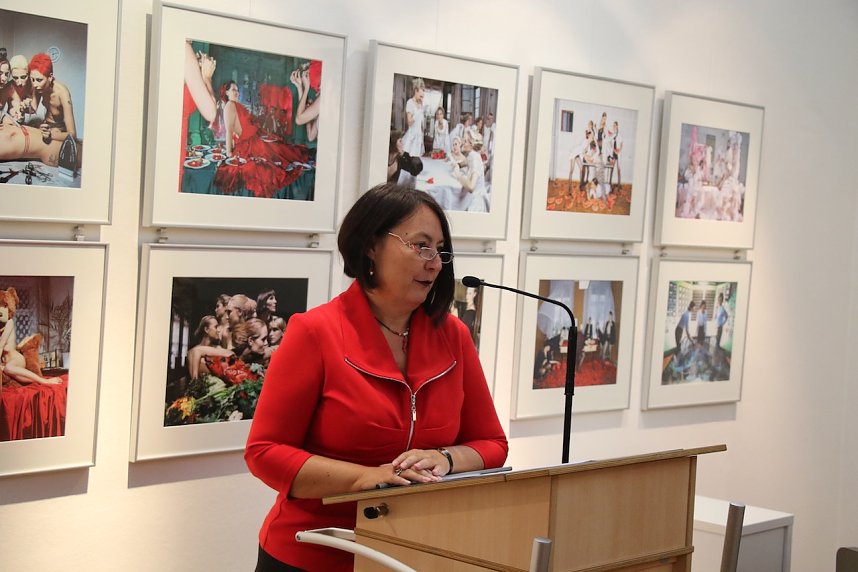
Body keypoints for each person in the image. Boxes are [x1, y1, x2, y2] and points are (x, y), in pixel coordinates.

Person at [245, 183, 508, 570]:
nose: (434, 262)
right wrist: (364, 478)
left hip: (415, 554)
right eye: (420, 246)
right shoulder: (315, 332)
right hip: (316, 551)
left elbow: (492, 443)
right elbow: (265, 452)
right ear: (371, 245)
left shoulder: (454, 336)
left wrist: (445, 459)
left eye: (440, 250)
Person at [214, 80, 310, 198]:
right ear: (226, 93)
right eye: (233, 90)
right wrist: (229, 152)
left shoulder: (235, 105)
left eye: (237, 90)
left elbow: (236, 128)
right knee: (269, 165)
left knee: (283, 152)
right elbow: (229, 130)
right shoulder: (230, 105)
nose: (237, 92)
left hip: (255, 139)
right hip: (250, 143)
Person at [28, 53, 77, 143]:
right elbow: (33, 109)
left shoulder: (63, 93)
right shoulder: (39, 87)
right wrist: (24, 107)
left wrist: (51, 134)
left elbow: (73, 135)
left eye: (39, 80)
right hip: (45, 126)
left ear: (50, 77)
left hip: (58, 131)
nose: (34, 84)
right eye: (32, 79)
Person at [452, 126, 489, 212]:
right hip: (472, 199)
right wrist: (457, 165)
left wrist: (458, 175)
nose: (462, 144)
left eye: (465, 141)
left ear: (471, 144)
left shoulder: (474, 157)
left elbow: (471, 187)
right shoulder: (472, 155)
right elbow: (463, 163)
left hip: (476, 204)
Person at [401, 77, 425, 157]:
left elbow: (420, 124)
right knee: (410, 159)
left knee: (416, 161)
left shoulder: (420, 104)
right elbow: (409, 122)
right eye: (422, 91)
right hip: (412, 137)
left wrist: (421, 137)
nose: (423, 94)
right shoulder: (410, 103)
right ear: (416, 90)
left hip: (418, 137)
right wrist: (418, 112)